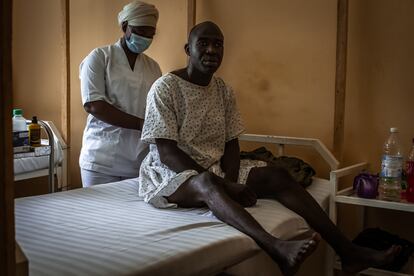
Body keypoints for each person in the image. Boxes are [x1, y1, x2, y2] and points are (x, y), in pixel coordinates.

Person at [138, 21, 400, 275]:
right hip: (171, 172)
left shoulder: (223, 91)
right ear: (188, 49)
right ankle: (277, 248)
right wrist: (225, 186)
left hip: (213, 167)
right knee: (207, 182)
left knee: (278, 174)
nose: (211, 50)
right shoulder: (166, 88)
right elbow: (167, 153)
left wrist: (230, 180)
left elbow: (231, 143)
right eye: (203, 43)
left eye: (218, 45)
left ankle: (348, 251)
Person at [79, 1, 161, 187]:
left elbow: (157, 107)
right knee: (98, 215)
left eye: (151, 34)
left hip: (139, 161)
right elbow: (93, 105)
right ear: (125, 27)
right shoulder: (99, 57)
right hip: (101, 161)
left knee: (134, 216)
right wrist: (141, 124)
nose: (146, 38)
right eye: (141, 32)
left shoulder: (153, 67)